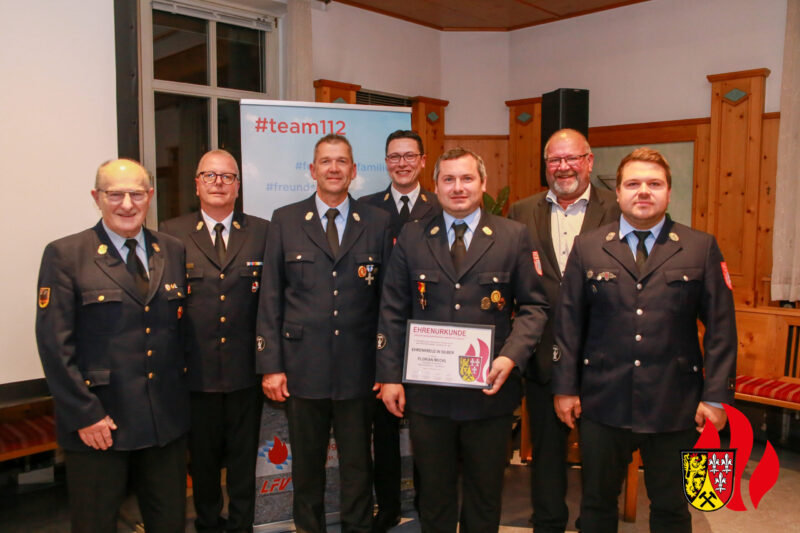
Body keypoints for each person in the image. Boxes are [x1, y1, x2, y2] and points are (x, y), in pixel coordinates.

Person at [552, 147, 737, 533]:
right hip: (603, 401)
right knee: (597, 505)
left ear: (669, 193)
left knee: (672, 508)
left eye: (654, 184)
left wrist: (716, 397)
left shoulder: (700, 246)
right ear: (617, 193)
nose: (643, 191)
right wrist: (565, 389)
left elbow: (721, 328)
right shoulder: (588, 247)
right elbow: (568, 323)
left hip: (676, 404)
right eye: (633, 183)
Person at [377, 148, 549, 532]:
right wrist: (390, 375)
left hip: (489, 392)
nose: (458, 188)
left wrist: (510, 357)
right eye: (449, 179)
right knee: (434, 496)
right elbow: (392, 308)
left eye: (467, 179)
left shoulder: (512, 235)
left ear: (483, 185)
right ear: (435, 185)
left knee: (484, 495)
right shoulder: (412, 235)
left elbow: (534, 307)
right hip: (429, 395)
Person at [35, 159, 189, 533]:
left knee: (169, 522)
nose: (126, 204)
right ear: (96, 198)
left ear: (149, 197)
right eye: (115, 194)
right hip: (100, 424)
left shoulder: (172, 250)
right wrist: (84, 414)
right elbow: (55, 345)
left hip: (161, 424)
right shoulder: (66, 254)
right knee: (95, 524)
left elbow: (176, 335)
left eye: (136, 194)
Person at [256, 134, 391, 532]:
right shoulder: (285, 219)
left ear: (353, 171)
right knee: (308, 466)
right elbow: (271, 297)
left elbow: (388, 302)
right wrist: (272, 366)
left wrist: (386, 368)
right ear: (312, 171)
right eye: (326, 162)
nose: (334, 168)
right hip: (302, 368)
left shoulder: (378, 222)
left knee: (356, 465)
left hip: (358, 369)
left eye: (342, 161)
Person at [507, 128, 619, 533]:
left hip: (605, 358)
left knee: (601, 457)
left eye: (573, 158)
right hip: (543, 355)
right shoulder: (521, 212)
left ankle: (596, 524)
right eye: (555, 159)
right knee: (547, 455)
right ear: (545, 165)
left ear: (589, 161)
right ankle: (547, 523)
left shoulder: (618, 208)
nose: (564, 167)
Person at [160, 149, 269, 533]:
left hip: (245, 372)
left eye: (227, 176)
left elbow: (270, 304)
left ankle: (242, 526)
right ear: (196, 184)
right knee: (202, 462)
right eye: (210, 175)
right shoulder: (170, 233)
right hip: (195, 372)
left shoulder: (262, 231)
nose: (218, 183)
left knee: (243, 460)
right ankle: (207, 523)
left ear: (238, 185)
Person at [359, 129, 440, 531]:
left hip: (432, 339)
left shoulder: (442, 206)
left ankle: (431, 503)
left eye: (410, 156)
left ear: (423, 161)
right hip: (382, 336)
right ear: (386, 162)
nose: (402, 163)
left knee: (429, 429)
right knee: (384, 430)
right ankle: (387, 506)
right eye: (395, 156)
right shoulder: (367, 208)